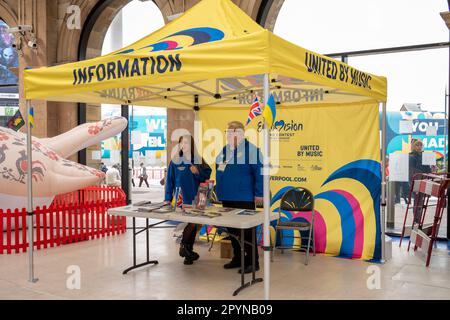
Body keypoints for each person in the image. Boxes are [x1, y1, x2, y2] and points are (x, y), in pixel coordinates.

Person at [216, 121, 263, 274]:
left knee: (247, 231)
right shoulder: (225, 150)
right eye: (227, 132)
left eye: (232, 132)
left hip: (244, 197)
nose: (229, 135)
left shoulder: (252, 150)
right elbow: (219, 166)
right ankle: (237, 258)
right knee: (232, 231)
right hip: (227, 196)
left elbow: (260, 173)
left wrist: (259, 194)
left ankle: (252, 262)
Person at [164, 135, 212, 265]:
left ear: (191, 145)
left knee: (193, 223)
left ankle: (187, 252)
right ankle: (185, 248)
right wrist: (167, 198)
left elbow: (207, 174)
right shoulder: (175, 161)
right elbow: (169, 181)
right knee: (189, 223)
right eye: (181, 142)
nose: (183, 145)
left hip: (197, 197)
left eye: (186, 142)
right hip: (182, 197)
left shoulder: (198, 160)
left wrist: (197, 172)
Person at [409, 139, 433, 223]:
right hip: (417, 181)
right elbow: (412, 172)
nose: (419, 147)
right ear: (413, 146)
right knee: (417, 201)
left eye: (420, 145)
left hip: (424, 180)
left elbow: (428, 169)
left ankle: (418, 220)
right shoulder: (411, 157)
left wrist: (431, 169)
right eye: (417, 145)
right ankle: (416, 220)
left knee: (421, 201)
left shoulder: (424, 156)